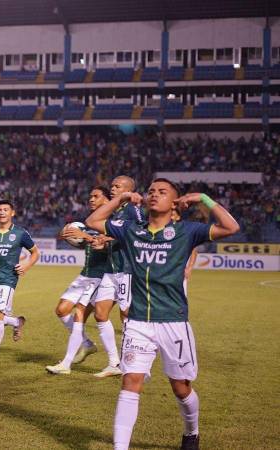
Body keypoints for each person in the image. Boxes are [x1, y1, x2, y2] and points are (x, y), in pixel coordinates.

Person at [86, 178, 240, 450]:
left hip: (173, 322)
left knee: (181, 388)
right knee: (130, 382)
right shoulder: (131, 230)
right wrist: (120, 200)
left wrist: (203, 199)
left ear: (175, 202)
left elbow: (231, 227)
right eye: (151, 191)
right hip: (137, 323)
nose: (154, 195)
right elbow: (93, 220)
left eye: (162, 192)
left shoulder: (187, 231)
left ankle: (191, 432)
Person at [45, 186, 110, 374]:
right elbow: (89, 246)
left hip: (100, 277)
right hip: (85, 274)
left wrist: (86, 237)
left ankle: (68, 363)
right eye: (90, 196)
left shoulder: (111, 222)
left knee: (80, 315)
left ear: (107, 200)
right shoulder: (90, 221)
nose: (91, 199)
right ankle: (87, 343)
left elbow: (112, 247)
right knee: (61, 309)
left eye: (96, 196)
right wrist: (73, 239)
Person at [90, 175, 144, 378]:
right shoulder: (114, 212)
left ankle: (131, 361)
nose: (112, 189)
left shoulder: (132, 208)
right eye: (112, 186)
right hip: (111, 269)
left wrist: (110, 236)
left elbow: (140, 231)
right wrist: (104, 242)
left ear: (129, 190)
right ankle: (114, 362)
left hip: (127, 270)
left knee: (126, 316)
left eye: (117, 186)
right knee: (100, 314)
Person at [0, 200, 40, 365]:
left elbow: (35, 252)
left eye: (5, 210)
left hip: (8, 280)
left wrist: (27, 265)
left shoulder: (20, 233)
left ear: (12, 213)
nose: (2, 212)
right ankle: (17, 321)